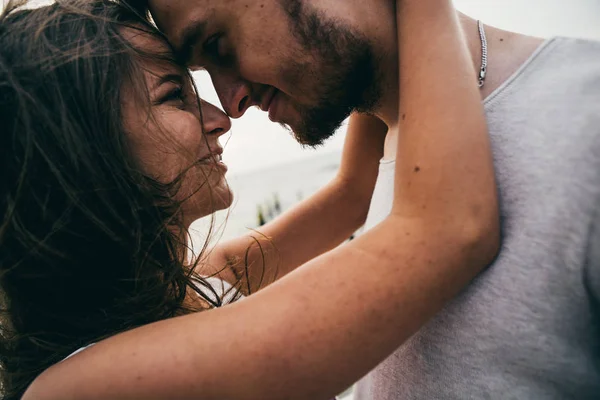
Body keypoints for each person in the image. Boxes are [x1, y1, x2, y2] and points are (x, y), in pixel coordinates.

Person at [0, 0, 499, 399]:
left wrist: (358, 32)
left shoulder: (203, 289)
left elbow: (350, 198)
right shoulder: (79, 387)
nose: (220, 116)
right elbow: (446, 229)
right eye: (174, 94)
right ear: (86, 152)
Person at [142, 0, 600, 397]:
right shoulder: (106, 366)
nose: (228, 107)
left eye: (219, 47)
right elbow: (438, 231)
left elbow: (350, 195)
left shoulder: (584, 118)